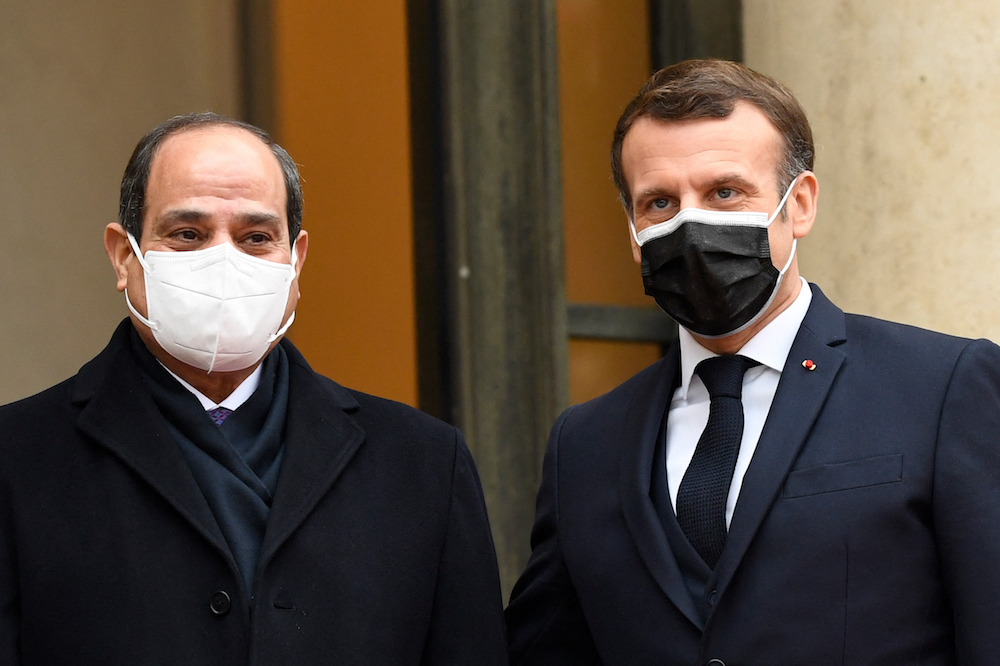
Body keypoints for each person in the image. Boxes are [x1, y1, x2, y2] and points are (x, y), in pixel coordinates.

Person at [505, 59, 1000, 664]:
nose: (691, 224)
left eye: (725, 192)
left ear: (800, 205)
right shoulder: (584, 445)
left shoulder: (943, 389)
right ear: (633, 233)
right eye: (660, 202)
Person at [0, 112, 508, 665]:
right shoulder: (19, 458)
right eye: (188, 234)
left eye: (257, 238)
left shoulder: (423, 464)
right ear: (125, 256)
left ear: (296, 261)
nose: (225, 261)